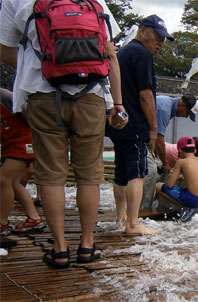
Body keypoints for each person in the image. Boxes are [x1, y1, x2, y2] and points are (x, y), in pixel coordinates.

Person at [0, 0, 125, 268]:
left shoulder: (18, 0)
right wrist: (118, 104)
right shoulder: (95, 2)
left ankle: (59, 249)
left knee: (50, 172)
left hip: (42, 94)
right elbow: (111, 54)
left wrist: (40, 69)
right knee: (90, 173)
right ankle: (87, 245)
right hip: (90, 95)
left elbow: (6, 51)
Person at [105, 14, 174, 235]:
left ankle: (121, 217)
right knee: (137, 173)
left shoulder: (123, 52)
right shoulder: (142, 54)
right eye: (157, 37)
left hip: (118, 122)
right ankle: (133, 224)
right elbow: (146, 95)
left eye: (163, 40)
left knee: (121, 172)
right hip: (134, 123)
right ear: (143, 30)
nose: (160, 44)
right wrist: (153, 128)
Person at [0, 89, 45, 236]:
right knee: (14, 183)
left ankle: (2, 223)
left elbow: (30, 114)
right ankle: (34, 219)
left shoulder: (4, 96)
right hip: (9, 144)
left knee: (3, 180)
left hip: (23, 142)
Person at [155, 137, 198, 222]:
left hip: (191, 200)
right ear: (195, 151)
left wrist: (178, 177)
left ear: (179, 151)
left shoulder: (180, 162)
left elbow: (170, 185)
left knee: (158, 186)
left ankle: (185, 207)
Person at [155, 94, 198, 174]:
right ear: (183, 106)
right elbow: (158, 141)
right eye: (187, 113)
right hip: (134, 135)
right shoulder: (164, 110)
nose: (186, 116)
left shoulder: (167, 103)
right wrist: (165, 164)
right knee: (150, 172)